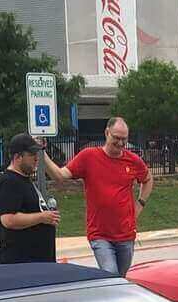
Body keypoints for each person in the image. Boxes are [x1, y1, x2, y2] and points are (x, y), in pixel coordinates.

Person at [43, 116, 153, 275]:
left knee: (120, 279)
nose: (121, 143)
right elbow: (60, 175)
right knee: (111, 275)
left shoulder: (133, 160)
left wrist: (140, 204)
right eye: (116, 138)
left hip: (126, 234)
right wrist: (42, 153)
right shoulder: (88, 157)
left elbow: (148, 179)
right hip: (100, 235)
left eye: (124, 139)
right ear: (107, 133)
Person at [0, 133, 59, 265]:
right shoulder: (9, 182)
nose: (36, 158)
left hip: (38, 262)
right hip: (21, 263)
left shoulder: (24, 180)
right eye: (31, 155)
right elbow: (8, 220)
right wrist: (42, 217)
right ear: (17, 157)